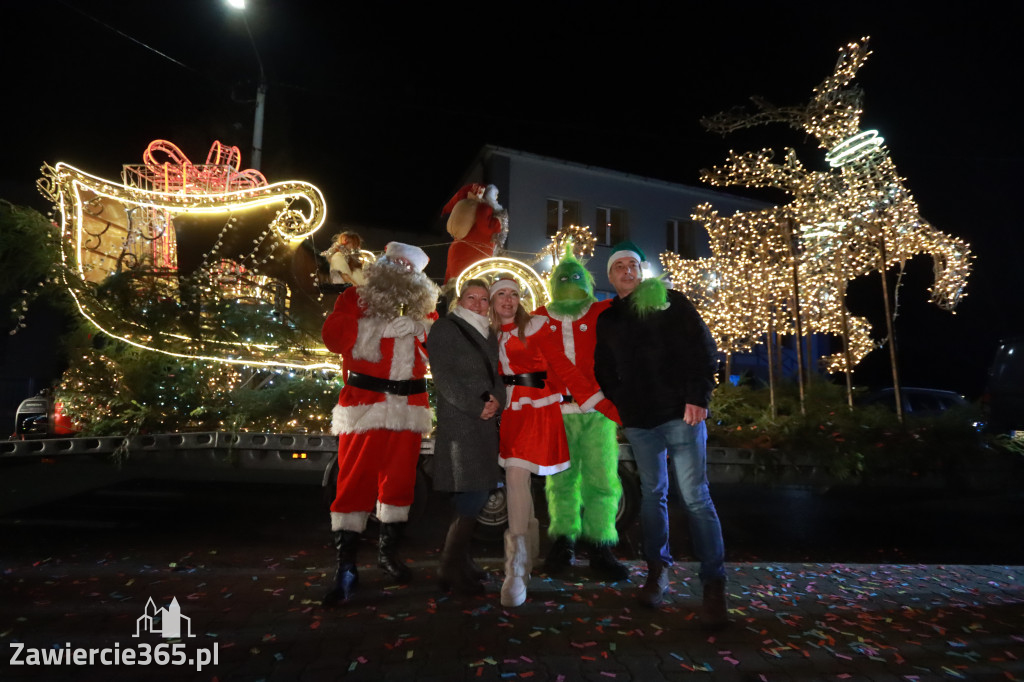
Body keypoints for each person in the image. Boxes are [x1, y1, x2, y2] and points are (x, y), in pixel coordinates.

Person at [593, 241, 729, 629]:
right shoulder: (610, 318)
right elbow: (603, 368)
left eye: (632, 265)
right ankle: (657, 571)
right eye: (618, 266)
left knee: (696, 497)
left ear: (642, 270)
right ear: (611, 276)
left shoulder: (672, 301)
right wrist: (622, 403)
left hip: (681, 413)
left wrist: (697, 396)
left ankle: (713, 583)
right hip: (639, 420)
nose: (626, 271)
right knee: (653, 496)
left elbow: (703, 349)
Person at [320, 242, 439, 607]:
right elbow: (332, 337)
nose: (401, 268)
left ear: (418, 276)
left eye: (409, 266)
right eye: (396, 261)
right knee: (354, 481)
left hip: (408, 407)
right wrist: (374, 330)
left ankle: (388, 554)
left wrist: (420, 329)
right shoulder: (356, 298)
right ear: (383, 263)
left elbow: (442, 350)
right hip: (365, 404)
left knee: (400, 484)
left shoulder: (427, 308)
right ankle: (346, 566)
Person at [489, 277, 617, 607]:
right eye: (501, 293)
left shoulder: (536, 326)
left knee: (517, 478)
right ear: (491, 300)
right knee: (518, 483)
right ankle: (526, 555)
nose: (508, 298)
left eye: (514, 293)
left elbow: (564, 368)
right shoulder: (487, 331)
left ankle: (515, 570)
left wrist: (603, 404)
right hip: (509, 413)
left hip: (540, 410)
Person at [532, 248, 628, 581]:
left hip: (597, 412)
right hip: (556, 412)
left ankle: (600, 545)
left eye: (576, 277)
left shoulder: (603, 311)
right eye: (563, 277)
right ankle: (563, 543)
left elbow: (636, 305)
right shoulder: (538, 318)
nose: (570, 283)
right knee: (560, 482)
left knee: (602, 481)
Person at [425, 279, 505, 595]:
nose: (477, 304)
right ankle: (448, 568)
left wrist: (499, 400)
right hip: (461, 423)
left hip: (484, 423)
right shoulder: (445, 328)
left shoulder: (488, 332)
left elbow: (496, 374)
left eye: (483, 299)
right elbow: (443, 377)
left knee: (473, 492)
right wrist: (476, 408)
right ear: (460, 300)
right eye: (471, 297)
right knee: (472, 494)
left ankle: (463, 561)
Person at [441, 183, 508, 285]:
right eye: (495, 197)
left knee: (453, 289)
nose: (497, 200)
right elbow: (490, 227)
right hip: (472, 264)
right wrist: (500, 216)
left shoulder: (468, 217)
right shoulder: (484, 210)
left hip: (457, 257)